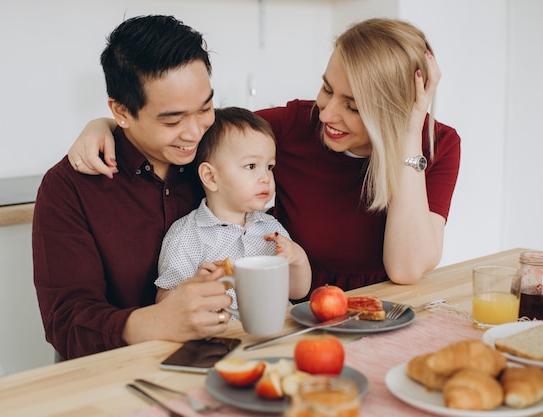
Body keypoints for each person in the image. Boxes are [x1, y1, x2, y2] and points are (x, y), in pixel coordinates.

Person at [67, 18, 461, 298]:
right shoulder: (293, 126)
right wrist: (109, 125)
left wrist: (409, 138)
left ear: (395, 109)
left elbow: (406, 269)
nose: (326, 113)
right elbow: (200, 128)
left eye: (353, 107)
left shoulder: (437, 145)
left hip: (389, 313)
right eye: (326, 90)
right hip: (299, 317)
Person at [32, 15, 234, 360]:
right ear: (121, 112)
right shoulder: (69, 188)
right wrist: (157, 322)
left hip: (225, 355)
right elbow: (66, 322)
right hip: (115, 375)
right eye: (172, 120)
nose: (194, 132)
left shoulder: (221, 153)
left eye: (205, 108)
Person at [156, 106, 311, 307]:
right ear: (211, 177)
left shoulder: (271, 229)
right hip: (222, 335)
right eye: (251, 166)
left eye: (269, 167)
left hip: (277, 331)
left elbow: (297, 291)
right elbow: (163, 304)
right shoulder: (186, 235)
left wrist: (298, 258)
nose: (266, 178)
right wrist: (194, 286)